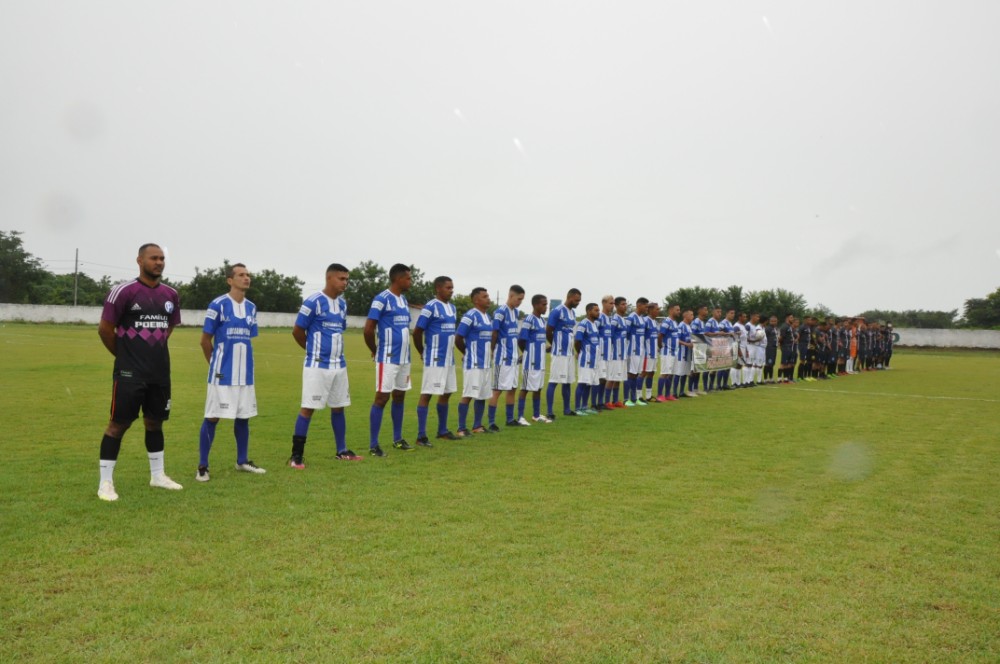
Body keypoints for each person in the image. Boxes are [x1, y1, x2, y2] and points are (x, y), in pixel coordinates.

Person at [96, 243, 182, 501]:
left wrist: (150, 355)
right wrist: (126, 357)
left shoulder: (171, 295)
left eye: (162, 258)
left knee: (155, 422)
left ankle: (158, 476)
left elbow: (168, 329)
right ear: (139, 260)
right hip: (129, 374)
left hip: (159, 373)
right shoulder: (123, 291)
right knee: (118, 425)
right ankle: (105, 483)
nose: (159, 262)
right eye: (153, 258)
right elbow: (105, 329)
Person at [197, 263, 265, 481]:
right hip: (222, 374)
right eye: (241, 275)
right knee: (213, 417)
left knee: (243, 417)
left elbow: (248, 338)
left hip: (245, 373)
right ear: (230, 280)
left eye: (248, 275)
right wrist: (215, 364)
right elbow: (205, 341)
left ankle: (242, 461)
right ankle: (203, 466)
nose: (247, 278)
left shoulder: (251, 307)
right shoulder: (218, 305)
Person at [288, 263, 359, 469]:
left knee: (339, 407)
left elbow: (340, 329)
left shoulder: (343, 305)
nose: (345, 283)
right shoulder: (314, 301)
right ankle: (296, 456)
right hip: (317, 366)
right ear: (329, 278)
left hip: (339, 364)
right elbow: (297, 331)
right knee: (308, 408)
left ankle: (342, 450)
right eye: (341, 279)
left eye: (347, 279)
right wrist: (312, 351)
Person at [364, 263, 413, 457]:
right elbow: (368, 329)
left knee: (400, 396)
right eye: (408, 278)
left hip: (404, 359)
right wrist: (375, 350)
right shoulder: (381, 299)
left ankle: (397, 439)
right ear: (398, 279)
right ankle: (374, 444)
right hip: (388, 358)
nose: (411, 281)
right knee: (382, 398)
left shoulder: (403, 300)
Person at [413, 276, 460, 446]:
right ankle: (421, 436)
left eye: (452, 287)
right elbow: (417, 332)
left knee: (447, 393)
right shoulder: (431, 306)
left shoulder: (453, 308)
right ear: (438, 288)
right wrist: (422, 352)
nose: (451, 290)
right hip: (435, 358)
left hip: (449, 359)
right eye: (448, 287)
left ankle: (442, 430)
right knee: (427, 394)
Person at [455, 287, 494, 435]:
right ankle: (461, 428)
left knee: (482, 395)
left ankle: (477, 426)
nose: (488, 298)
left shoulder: (487, 317)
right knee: (469, 394)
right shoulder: (470, 316)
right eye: (485, 296)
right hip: (474, 364)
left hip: (485, 364)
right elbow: (458, 338)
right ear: (476, 300)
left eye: (488, 295)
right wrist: (467, 352)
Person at [489, 285, 526, 429]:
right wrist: (492, 351)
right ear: (511, 296)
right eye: (519, 299)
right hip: (502, 357)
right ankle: (491, 422)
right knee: (497, 389)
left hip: (513, 357)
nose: (520, 302)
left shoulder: (515, 312)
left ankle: (510, 419)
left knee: (512, 388)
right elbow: (494, 333)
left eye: (522, 300)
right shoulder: (500, 312)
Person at [545, 288, 582, 418]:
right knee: (554, 381)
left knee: (567, 381)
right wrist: (555, 344)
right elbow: (549, 330)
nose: (578, 303)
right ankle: (549, 411)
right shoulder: (557, 311)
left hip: (569, 353)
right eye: (576, 300)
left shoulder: (572, 313)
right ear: (570, 297)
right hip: (559, 352)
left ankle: (567, 409)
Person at [517, 294, 550, 423]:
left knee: (538, 388)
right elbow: (521, 340)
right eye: (543, 304)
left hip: (540, 361)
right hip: (530, 361)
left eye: (546, 304)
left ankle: (536, 415)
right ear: (535, 305)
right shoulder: (529, 320)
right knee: (525, 388)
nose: (546, 307)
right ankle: (520, 417)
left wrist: (544, 348)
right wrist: (527, 353)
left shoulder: (542, 321)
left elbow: (538, 340)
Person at [573, 303, 602, 415]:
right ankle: (577, 408)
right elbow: (577, 341)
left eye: (598, 310)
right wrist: (580, 352)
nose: (598, 312)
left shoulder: (594, 324)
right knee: (582, 383)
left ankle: (584, 406)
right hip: (586, 359)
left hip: (594, 360)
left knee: (589, 384)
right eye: (596, 310)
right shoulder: (583, 324)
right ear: (589, 311)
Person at [624, 297, 648, 407]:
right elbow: (626, 334)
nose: (646, 308)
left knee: (635, 374)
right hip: (633, 349)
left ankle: (634, 398)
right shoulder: (631, 317)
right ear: (639, 305)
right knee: (631, 374)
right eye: (645, 306)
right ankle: (626, 399)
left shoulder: (642, 318)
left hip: (640, 350)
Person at [606, 297, 629, 408]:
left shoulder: (623, 319)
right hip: (615, 353)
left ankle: (615, 401)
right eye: (623, 304)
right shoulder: (614, 319)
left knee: (619, 377)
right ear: (617, 306)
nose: (625, 306)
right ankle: (607, 401)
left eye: (626, 304)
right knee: (612, 377)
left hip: (622, 353)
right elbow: (610, 336)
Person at [657, 304, 680, 401]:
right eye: (677, 310)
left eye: (679, 310)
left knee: (671, 374)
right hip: (667, 351)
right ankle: (659, 395)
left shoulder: (675, 322)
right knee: (664, 373)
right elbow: (660, 335)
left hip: (674, 352)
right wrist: (661, 346)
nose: (679, 311)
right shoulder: (667, 322)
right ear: (671, 310)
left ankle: (667, 394)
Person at [640, 302, 660, 402]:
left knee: (651, 373)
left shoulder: (655, 322)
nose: (658, 311)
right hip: (646, 353)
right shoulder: (645, 321)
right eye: (656, 309)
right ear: (651, 310)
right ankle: (638, 396)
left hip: (654, 352)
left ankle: (648, 396)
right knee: (644, 373)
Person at [673, 309, 695, 398]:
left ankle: (681, 392)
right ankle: (674, 392)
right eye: (691, 315)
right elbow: (677, 339)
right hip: (681, 353)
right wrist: (687, 344)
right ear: (685, 316)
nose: (692, 316)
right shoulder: (681, 326)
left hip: (688, 354)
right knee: (678, 373)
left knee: (685, 373)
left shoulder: (689, 326)